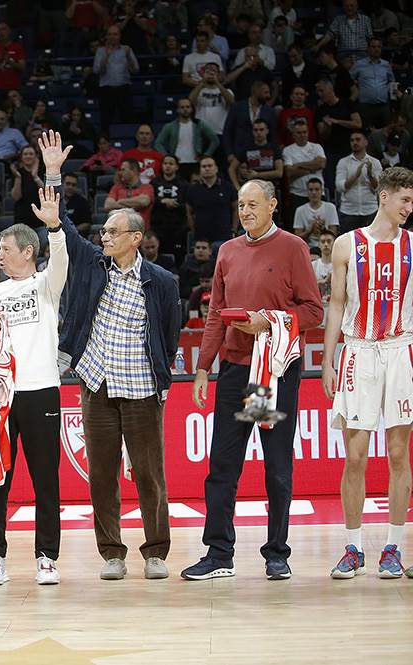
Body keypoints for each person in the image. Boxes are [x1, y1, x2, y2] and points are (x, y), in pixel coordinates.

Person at [43, 131, 183, 581]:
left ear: (135, 238)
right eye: (103, 231)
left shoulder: (162, 281)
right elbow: (63, 224)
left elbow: (169, 336)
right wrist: (52, 173)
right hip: (96, 383)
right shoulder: (90, 263)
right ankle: (112, 554)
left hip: (142, 387)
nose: (103, 236)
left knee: (149, 475)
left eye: (112, 232)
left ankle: (156, 552)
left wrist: (159, 374)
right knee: (101, 474)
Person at [182, 179, 323, 581]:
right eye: (241, 205)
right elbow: (215, 313)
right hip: (235, 370)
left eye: (253, 204)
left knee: (276, 465)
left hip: (273, 371)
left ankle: (277, 553)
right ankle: (218, 553)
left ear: (273, 205)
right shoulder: (227, 251)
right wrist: (203, 368)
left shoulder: (293, 248)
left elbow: (314, 310)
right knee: (223, 465)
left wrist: (270, 321)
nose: (245, 211)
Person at [0, 181, 68, 587]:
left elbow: (60, 259)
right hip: (1, 396)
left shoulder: (46, 285)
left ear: (27, 252)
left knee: (46, 479)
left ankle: (47, 558)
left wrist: (55, 228)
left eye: (5, 249)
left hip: (41, 390)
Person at [321, 167, 413, 580]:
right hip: (359, 351)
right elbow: (336, 304)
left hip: (399, 350)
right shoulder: (347, 244)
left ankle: (393, 547)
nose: (409, 208)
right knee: (356, 455)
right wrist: (328, 360)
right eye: (404, 200)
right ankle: (353, 547)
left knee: (398, 454)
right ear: (384, 197)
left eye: (412, 202)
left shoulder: (412, 245)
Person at [336, 131, 382, 234]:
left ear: (366, 142)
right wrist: (356, 176)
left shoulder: (375, 162)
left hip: (370, 210)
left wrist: (370, 175)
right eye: (352, 140)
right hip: (348, 211)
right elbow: (339, 186)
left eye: (358, 139)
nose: (354, 142)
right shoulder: (343, 162)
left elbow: (378, 187)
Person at [292, 178, 338, 246]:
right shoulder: (300, 210)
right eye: (311, 190)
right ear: (307, 192)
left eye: (317, 189)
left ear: (322, 191)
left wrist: (323, 229)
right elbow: (297, 237)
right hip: (307, 247)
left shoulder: (331, 207)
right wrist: (310, 229)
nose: (314, 193)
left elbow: (334, 233)